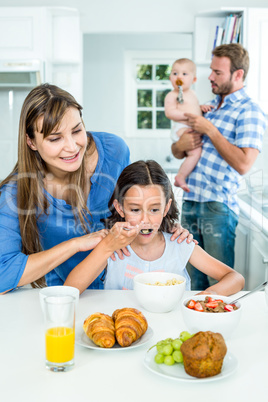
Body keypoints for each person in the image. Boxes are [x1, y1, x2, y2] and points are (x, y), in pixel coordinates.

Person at [0, 83, 193, 294]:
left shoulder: (114, 152)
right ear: (31, 142)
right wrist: (75, 244)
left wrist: (164, 227)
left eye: (77, 130)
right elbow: (3, 275)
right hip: (70, 294)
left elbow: (134, 207)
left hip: (120, 291)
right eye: (55, 138)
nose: (72, 147)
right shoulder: (16, 192)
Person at [65, 160, 245, 295]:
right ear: (120, 208)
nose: (145, 219)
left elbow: (235, 278)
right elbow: (69, 291)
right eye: (135, 209)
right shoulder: (112, 247)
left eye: (154, 209)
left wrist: (207, 295)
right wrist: (106, 248)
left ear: (166, 208)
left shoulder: (179, 243)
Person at [171, 44, 267, 290]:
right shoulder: (208, 108)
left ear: (238, 75)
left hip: (218, 207)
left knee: (219, 283)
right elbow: (178, 152)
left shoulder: (250, 112)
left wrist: (210, 130)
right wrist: (181, 144)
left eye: (218, 73)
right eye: (211, 71)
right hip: (191, 202)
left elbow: (245, 164)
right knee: (192, 281)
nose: (210, 77)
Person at [164, 58, 212, 192]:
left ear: (194, 79)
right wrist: (188, 115)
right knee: (195, 152)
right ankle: (181, 176)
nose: (179, 76)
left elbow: (194, 107)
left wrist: (201, 107)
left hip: (190, 127)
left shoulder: (192, 93)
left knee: (198, 149)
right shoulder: (171, 95)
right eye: (175, 73)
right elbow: (169, 113)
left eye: (184, 74)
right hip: (181, 128)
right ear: (170, 77)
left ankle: (182, 175)